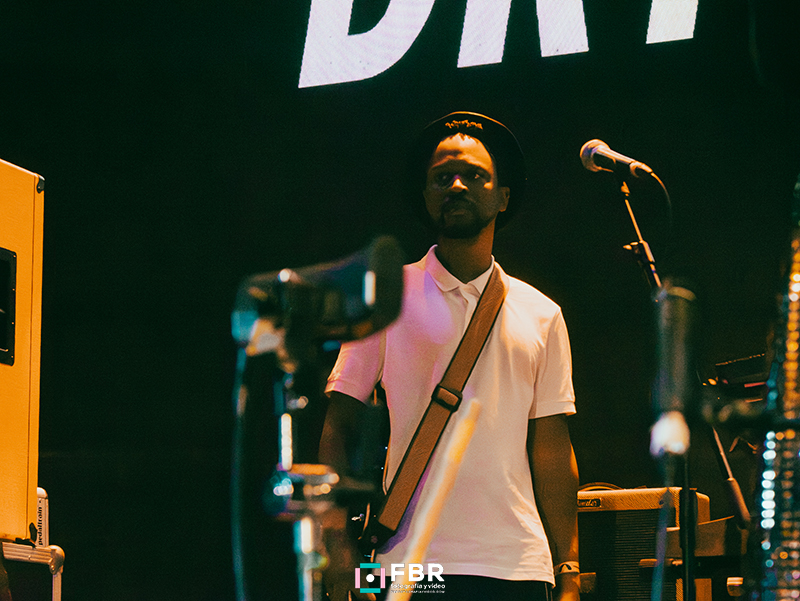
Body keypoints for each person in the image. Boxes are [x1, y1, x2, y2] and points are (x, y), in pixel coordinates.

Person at [319, 112, 580, 601]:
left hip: (518, 565)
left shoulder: (542, 313)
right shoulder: (385, 298)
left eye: (475, 176)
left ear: (503, 197)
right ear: (425, 196)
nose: (457, 185)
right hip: (410, 565)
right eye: (442, 178)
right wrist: (337, 551)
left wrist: (569, 569)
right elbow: (339, 428)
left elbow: (551, 449)